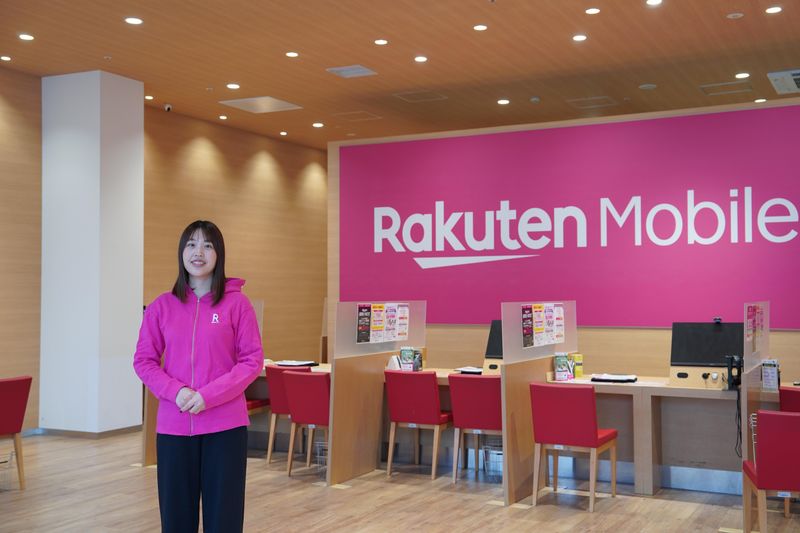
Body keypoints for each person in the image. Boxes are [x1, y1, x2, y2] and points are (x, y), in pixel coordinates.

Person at [133, 220, 263, 533]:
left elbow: (251, 360)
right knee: (176, 520)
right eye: (191, 244)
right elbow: (144, 361)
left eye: (207, 245)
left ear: (219, 254)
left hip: (225, 427)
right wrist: (175, 391)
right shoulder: (162, 306)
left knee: (224, 519)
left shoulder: (237, 304)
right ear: (182, 252)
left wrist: (208, 396)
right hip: (174, 426)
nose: (198, 252)